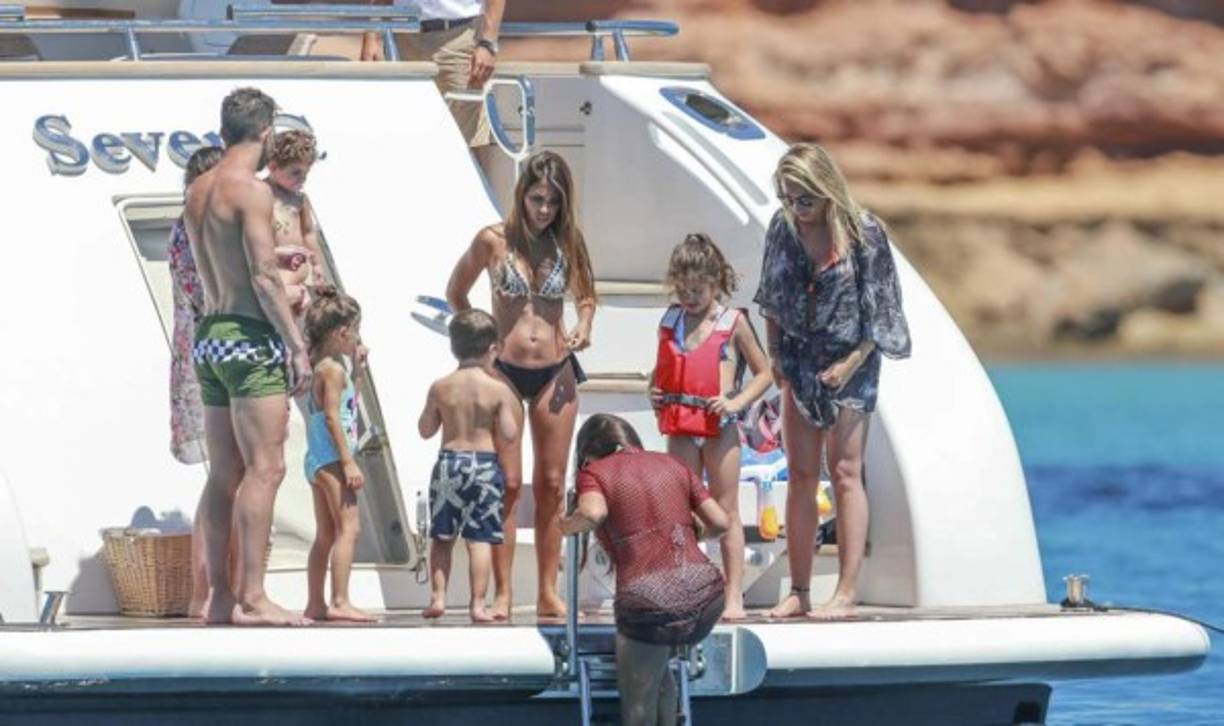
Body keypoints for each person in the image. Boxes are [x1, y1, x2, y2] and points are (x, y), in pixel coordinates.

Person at [754, 143, 911, 619]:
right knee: (801, 476)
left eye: (804, 199)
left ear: (826, 190)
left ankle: (845, 592)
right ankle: (798, 591)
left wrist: (851, 363)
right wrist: (775, 355)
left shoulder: (864, 232)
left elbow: (882, 312)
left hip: (852, 363)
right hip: (799, 360)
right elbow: (772, 296)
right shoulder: (783, 228)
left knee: (844, 471)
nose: (796, 208)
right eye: (787, 198)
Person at [446, 150, 597, 620]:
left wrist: (584, 325)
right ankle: (504, 591)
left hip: (555, 368)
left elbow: (586, 296)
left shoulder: (567, 241)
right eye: (537, 199)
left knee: (551, 482)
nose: (544, 209)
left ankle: (548, 590)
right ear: (521, 195)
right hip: (505, 371)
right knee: (508, 483)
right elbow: (456, 290)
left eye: (553, 201)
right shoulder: (492, 240)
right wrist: (478, 343)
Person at [184, 87, 313, 626]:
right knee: (267, 466)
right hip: (249, 336)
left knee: (224, 473)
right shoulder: (253, 192)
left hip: (210, 335)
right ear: (264, 134)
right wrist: (296, 345)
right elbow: (262, 276)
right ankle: (254, 596)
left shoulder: (198, 189)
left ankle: (219, 596)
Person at [560, 414, 729, 726]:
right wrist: (693, 533)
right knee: (658, 673)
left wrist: (565, 525)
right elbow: (720, 522)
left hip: (650, 602)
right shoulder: (673, 464)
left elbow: (593, 514)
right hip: (708, 595)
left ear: (587, 455)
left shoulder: (594, 472)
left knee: (638, 702)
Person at [649, 233, 772, 621]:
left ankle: (734, 595)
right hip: (681, 428)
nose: (690, 298)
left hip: (720, 428)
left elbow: (765, 373)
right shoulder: (670, 320)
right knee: (681, 510)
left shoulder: (733, 322)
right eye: (683, 290)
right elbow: (661, 369)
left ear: (715, 283)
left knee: (726, 510)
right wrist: (653, 391)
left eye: (698, 290)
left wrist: (735, 402)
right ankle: (687, 589)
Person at [417, 309, 521, 623]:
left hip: (449, 463)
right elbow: (510, 433)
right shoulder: (497, 389)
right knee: (480, 540)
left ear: (453, 346)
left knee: (442, 537)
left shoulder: (441, 386)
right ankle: (477, 604)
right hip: (484, 467)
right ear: (492, 349)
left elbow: (425, 430)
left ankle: (438, 598)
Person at [170, 146, 225, 619]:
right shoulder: (192, 229)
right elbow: (205, 297)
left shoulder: (193, 225)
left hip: (203, 354)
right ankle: (207, 590)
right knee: (223, 475)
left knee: (225, 476)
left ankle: (210, 590)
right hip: (210, 356)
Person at [301, 288, 377, 623]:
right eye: (356, 331)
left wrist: (358, 373)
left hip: (318, 458)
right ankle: (340, 600)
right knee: (350, 528)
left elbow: (347, 407)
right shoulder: (331, 370)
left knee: (326, 535)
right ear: (342, 332)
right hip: (331, 458)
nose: (358, 338)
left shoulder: (327, 366)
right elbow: (332, 418)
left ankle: (315, 604)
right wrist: (348, 462)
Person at [363, 0, 505, 155]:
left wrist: (488, 42)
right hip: (404, 36)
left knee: (464, 142)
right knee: (406, 137)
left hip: (458, 37)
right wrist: (372, 33)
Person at [265, 129, 327, 317]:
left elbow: (308, 233)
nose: (303, 178)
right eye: (295, 172)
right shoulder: (261, 195)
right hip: (278, 273)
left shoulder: (299, 200)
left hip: (300, 274)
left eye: (306, 173)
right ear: (273, 166)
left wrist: (317, 265)